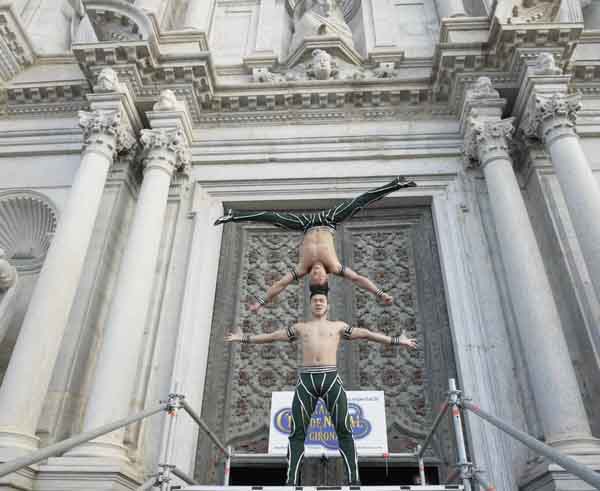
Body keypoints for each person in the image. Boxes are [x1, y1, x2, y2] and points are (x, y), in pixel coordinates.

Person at [225, 286, 417, 485]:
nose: (318, 303)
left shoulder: (338, 326)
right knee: (297, 432)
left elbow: (366, 334)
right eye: (315, 300)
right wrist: (244, 338)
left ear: (328, 306)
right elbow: (273, 336)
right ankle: (291, 481)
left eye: (321, 301)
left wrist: (396, 340)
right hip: (307, 380)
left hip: (330, 378)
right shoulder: (301, 328)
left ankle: (354, 480)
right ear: (310, 305)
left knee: (344, 429)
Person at [214, 176, 416, 312]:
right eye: (320, 276)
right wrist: (380, 293)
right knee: (359, 202)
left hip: (306, 225)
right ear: (326, 278)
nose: (317, 273)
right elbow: (358, 279)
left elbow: (280, 285)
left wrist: (260, 302)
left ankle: (234, 215)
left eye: (314, 277)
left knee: (271, 217)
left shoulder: (302, 268)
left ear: (310, 278)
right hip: (329, 221)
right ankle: (397, 184)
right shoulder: (335, 267)